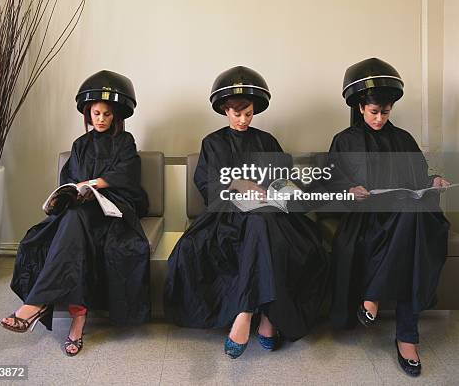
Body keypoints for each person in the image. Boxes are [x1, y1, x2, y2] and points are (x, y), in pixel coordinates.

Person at [164, 65, 329, 358]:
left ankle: (245, 312)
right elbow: (209, 185)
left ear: (255, 110)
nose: (242, 120)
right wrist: (238, 183)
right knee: (256, 223)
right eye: (236, 113)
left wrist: (278, 189)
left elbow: (283, 178)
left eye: (248, 113)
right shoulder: (212, 143)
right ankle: (267, 319)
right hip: (228, 220)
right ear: (225, 110)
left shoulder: (267, 141)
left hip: (271, 218)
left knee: (263, 221)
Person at [0, 70, 150, 356]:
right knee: (68, 226)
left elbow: (125, 175)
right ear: (87, 114)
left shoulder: (125, 141)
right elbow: (70, 181)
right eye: (96, 113)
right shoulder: (80, 145)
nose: (101, 118)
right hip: (82, 210)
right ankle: (77, 321)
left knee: (73, 223)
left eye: (107, 114)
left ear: (116, 115)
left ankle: (36, 304)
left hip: (113, 209)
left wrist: (92, 184)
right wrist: (73, 192)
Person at [328, 57, 450, 377]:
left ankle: (374, 294)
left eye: (385, 112)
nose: (380, 118)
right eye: (373, 112)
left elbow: (420, 179)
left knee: (412, 216)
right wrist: (349, 188)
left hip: (406, 219)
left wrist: (433, 181)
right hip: (367, 222)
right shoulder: (345, 141)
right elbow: (329, 181)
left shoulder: (405, 139)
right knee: (414, 236)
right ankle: (407, 339)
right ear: (359, 107)